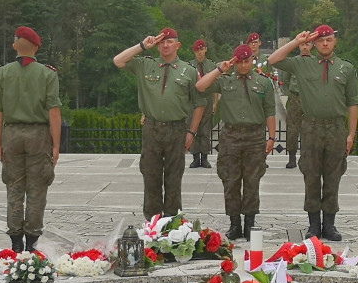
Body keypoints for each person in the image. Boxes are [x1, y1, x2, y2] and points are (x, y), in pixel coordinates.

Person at [268, 25, 358, 241]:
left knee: (333, 176)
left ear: (335, 41)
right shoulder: (303, 64)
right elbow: (273, 60)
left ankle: (330, 224)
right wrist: (297, 42)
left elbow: (353, 102)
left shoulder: (346, 68)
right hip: (311, 127)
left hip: (336, 128)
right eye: (320, 41)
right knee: (311, 175)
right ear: (315, 44)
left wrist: (351, 134)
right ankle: (313, 225)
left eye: (328, 40)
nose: (325, 44)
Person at [114, 28, 206, 220]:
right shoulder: (145, 65)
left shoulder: (188, 71)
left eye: (170, 41)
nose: (165, 45)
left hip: (177, 129)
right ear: (156, 45)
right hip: (152, 128)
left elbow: (199, 104)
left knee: (174, 178)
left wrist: (192, 132)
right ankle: (153, 224)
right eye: (162, 42)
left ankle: (172, 224)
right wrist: (142, 46)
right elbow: (118, 61)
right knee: (151, 177)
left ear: (178, 45)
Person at [196, 44, 277, 241]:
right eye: (239, 62)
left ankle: (250, 223)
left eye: (246, 61)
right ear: (234, 61)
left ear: (252, 61)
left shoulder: (264, 83)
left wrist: (272, 137)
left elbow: (270, 111)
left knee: (252, 180)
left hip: (255, 136)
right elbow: (200, 86)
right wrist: (220, 69)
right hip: (231, 136)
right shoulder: (225, 80)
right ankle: (234, 224)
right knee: (230, 180)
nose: (242, 65)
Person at [0, 26, 62, 251]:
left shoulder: (2, 73)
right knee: (37, 188)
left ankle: (15, 240)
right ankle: (31, 240)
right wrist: (56, 145)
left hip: (11, 133)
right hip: (38, 135)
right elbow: (54, 112)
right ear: (36, 47)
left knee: (13, 187)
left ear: (15, 46)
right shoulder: (47, 74)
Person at [281, 41, 314, 169]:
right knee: (293, 129)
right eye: (302, 45)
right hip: (295, 97)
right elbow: (285, 79)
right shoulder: (293, 62)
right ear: (299, 46)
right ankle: (292, 158)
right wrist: (290, 93)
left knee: (311, 128)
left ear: (312, 46)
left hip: (310, 98)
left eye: (307, 44)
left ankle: (308, 157)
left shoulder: (315, 62)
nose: (305, 47)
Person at [189, 39, 218, 169]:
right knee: (193, 130)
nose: (199, 53)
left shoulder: (212, 66)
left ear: (205, 49)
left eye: (201, 49)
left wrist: (215, 103)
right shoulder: (189, 66)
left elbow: (215, 86)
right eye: (197, 50)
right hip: (193, 104)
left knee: (205, 132)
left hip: (206, 102)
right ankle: (195, 158)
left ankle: (205, 157)